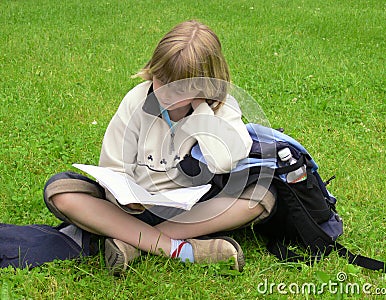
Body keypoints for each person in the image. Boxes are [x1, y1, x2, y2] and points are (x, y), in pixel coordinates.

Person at [43, 20, 275, 275]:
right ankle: (178, 249)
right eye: (161, 80)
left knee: (260, 198)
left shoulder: (222, 109)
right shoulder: (136, 100)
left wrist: (200, 110)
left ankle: (133, 241)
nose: (166, 94)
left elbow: (224, 161)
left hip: (193, 212)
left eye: (181, 88)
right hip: (134, 210)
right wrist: (125, 199)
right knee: (61, 191)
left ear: (204, 84)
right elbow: (112, 166)